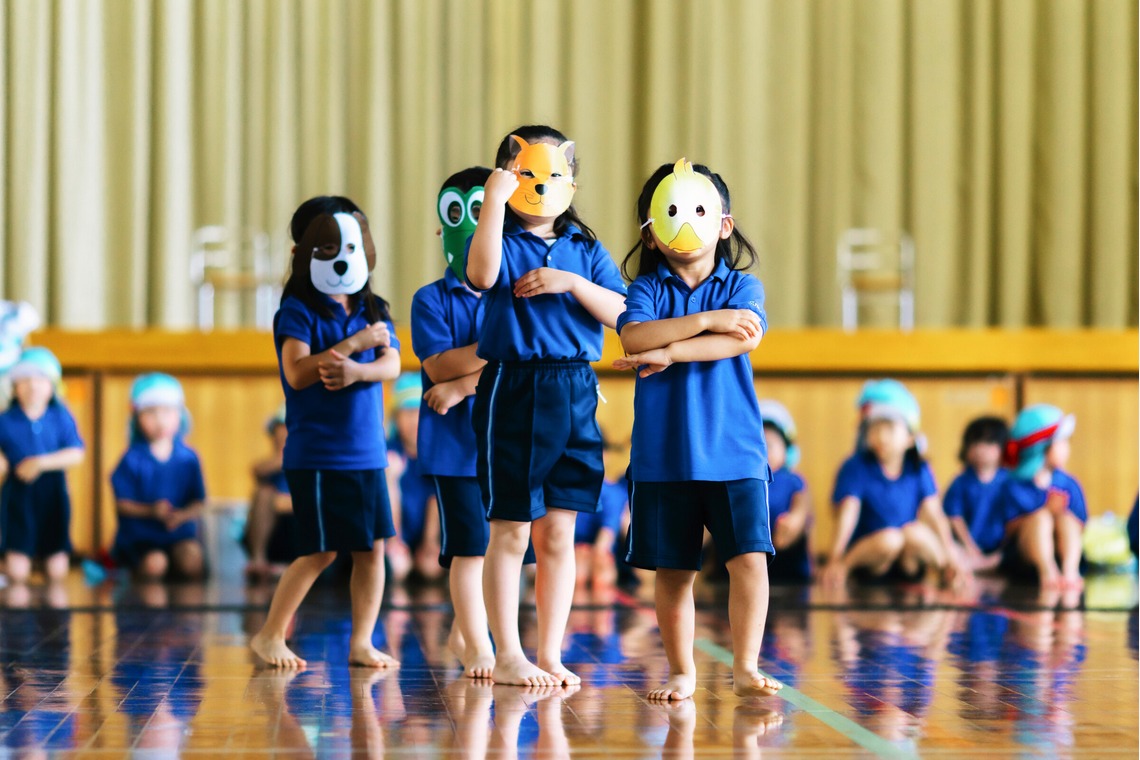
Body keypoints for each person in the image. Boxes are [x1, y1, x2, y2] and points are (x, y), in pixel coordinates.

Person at [614, 158, 782, 701]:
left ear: (724, 225)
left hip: (735, 454)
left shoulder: (744, 284)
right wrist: (705, 321)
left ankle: (746, 665)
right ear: (652, 232)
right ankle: (682, 669)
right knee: (672, 572)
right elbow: (633, 339)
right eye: (670, 212)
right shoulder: (645, 289)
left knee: (749, 561)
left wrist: (670, 350)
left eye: (701, 209)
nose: (686, 222)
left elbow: (743, 339)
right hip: (664, 458)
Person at [466, 125, 627, 686]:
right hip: (515, 386)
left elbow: (621, 313)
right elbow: (481, 275)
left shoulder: (585, 249)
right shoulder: (500, 239)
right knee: (510, 528)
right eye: (526, 173)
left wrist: (569, 283)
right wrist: (490, 200)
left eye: (554, 173)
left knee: (559, 533)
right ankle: (507, 652)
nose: (541, 184)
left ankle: (551, 652)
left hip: (576, 389)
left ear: (572, 182)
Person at [249, 196, 402, 669]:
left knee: (373, 550)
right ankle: (271, 634)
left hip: (366, 453)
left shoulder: (373, 305)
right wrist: (353, 347)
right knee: (320, 551)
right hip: (318, 454)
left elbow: (392, 362)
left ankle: (362, 641)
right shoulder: (297, 310)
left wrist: (358, 372)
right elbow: (296, 372)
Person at [411, 166, 500, 676]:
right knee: (468, 548)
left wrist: (464, 385)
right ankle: (480, 644)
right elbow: (438, 364)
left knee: (498, 549)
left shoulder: (512, 292)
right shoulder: (430, 299)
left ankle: (463, 630)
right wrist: (478, 363)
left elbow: (521, 357)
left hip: (504, 440)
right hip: (453, 447)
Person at [821, 380, 967, 589]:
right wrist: (834, 558)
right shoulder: (856, 466)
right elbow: (847, 513)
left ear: (910, 437)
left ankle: (949, 571)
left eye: (889, 428)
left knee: (914, 533)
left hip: (908, 557)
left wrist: (951, 556)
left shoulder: (918, 468)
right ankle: (845, 568)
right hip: (875, 554)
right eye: (874, 428)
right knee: (891, 538)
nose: (881, 436)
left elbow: (934, 515)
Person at [110, 373, 207, 581]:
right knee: (155, 563)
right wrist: (151, 511)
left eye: (167, 412)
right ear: (137, 418)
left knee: (191, 559)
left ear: (180, 415)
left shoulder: (188, 458)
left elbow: (199, 501)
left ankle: (188, 613)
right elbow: (122, 504)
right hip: (142, 538)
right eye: (151, 413)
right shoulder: (131, 459)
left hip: (179, 533)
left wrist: (181, 516)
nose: (160, 420)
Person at [0, 347, 84, 585]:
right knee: (18, 572)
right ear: (14, 387)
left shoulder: (61, 416)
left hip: (53, 496)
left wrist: (41, 463)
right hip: (18, 497)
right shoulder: (5, 420)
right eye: (24, 380)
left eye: (40, 379)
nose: (33, 386)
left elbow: (76, 452)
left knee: (57, 569)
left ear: (52, 386)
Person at [997, 404, 1086, 590]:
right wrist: (1046, 510)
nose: (1066, 448)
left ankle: (1070, 570)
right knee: (1040, 519)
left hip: (1060, 550)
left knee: (1067, 518)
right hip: (1024, 559)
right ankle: (1047, 571)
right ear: (1042, 448)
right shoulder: (1012, 485)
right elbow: (1007, 529)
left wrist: (1059, 513)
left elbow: (1080, 523)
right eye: (1062, 442)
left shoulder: (1068, 483)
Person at [385, 372, 442, 581]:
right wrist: (394, 542)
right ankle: (395, 544)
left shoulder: (436, 453)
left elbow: (434, 499)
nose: (413, 420)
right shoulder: (390, 451)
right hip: (397, 534)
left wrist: (429, 543)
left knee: (431, 567)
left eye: (419, 412)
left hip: (428, 533)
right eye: (407, 412)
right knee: (397, 565)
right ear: (395, 417)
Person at [944, 416, 1009, 572]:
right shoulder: (960, 481)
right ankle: (978, 563)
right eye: (975, 442)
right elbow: (954, 517)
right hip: (968, 545)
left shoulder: (1008, 480)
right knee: (952, 552)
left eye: (989, 443)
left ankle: (986, 563)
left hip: (1000, 546)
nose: (981, 448)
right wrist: (969, 546)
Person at [758, 400, 812, 583]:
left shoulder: (792, 480)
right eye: (759, 444)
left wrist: (795, 519)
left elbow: (802, 504)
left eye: (771, 445)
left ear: (786, 450)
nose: (764, 451)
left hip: (786, 557)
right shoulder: (741, 481)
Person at [243, 404, 297, 580]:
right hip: (276, 535)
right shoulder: (272, 469)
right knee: (263, 495)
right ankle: (259, 559)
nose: (283, 435)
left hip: (301, 532)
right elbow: (257, 470)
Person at [573, 437, 628, 591]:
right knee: (580, 565)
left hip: (597, 555)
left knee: (599, 563)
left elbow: (606, 537)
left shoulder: (613, 493)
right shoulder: (570, 492)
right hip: (574, 552)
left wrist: (597, 554)